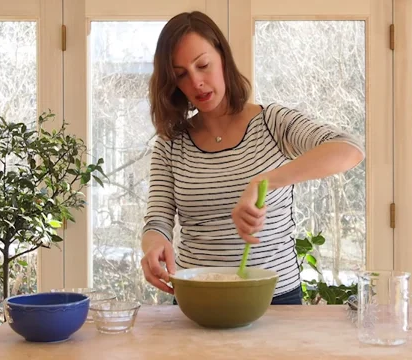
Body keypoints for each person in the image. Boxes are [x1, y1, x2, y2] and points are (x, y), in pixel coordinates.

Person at [140, 11, 365, 305]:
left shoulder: (271, 122)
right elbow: (157, 220)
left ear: (223, 57)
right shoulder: (171, 144)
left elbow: (349, 148)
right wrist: (154, 247)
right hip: (196, 300)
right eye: (181, 74)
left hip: (273, 301)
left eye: (203, 65)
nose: (197, 82)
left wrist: (264, 181)